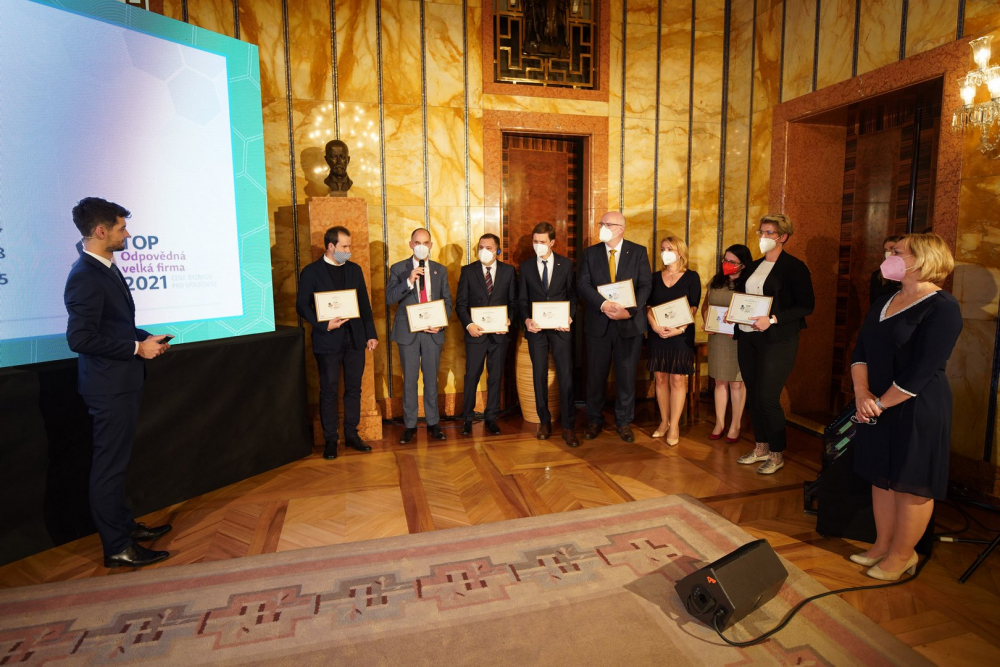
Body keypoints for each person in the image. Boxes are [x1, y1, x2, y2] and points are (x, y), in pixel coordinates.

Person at [63, 197, 173, 568]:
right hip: (108, 388)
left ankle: (125, 527)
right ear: (100, 231)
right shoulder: (85, 275)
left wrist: (144, 338)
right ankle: (116, 547)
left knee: (117, 464)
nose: (127, 234)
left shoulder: (104, 268)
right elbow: (80, 338)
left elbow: (114, 326)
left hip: (119, 383)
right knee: (109, 467)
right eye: (121, 228)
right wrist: (136, 348)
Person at [850, 233, 962, 581]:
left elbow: (923, 370)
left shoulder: (942, 307)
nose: (888, 257)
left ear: (921, 259)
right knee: (882, 477)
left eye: (896, 252)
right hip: (876, 403)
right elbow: (861, 350)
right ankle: (882, 545)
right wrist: (862, 393)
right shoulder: (885, 299)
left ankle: (902, 555)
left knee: (911, 482)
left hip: (916, 406)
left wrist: (879, 403)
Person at [733, 214, 814, 474]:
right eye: (761, 232)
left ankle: (777, 454)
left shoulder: (794, 267)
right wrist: (735, 313)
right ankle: (761, 448)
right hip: (748, 336)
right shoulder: (754, 266)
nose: (763, 237)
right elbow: (745, 298)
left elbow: (806, 306)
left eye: (769, 233)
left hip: (777, 338)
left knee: (767, 396)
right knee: (754, 394)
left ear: (783, 237)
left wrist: (772, 319)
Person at [296, 226, 379, 460]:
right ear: (331, 246)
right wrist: (323, 324)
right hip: (327, 340)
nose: (349, 250)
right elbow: (302, 305)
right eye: (344, 246)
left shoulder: (354, 270)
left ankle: (352, 434)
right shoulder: (311, 272)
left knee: (354, 389)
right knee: (329, 391)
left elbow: (364, 304)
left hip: (355, 339)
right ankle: (331, 439)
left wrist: (371, 334)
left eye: (349, 246)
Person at [577, 211, 652, 442]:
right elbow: (582, 283)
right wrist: (604, 304)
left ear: (620, 228)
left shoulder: (638, 252)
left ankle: (624, 422)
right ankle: (594, 420)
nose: (602, 227)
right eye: (601, 223)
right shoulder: (591, 253)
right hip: (598, 324)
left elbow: (645, 285)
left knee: (626, 376)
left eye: (607, 224)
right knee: (595, 376)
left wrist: (628, 311)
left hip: (628, 324)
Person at [386, 228, 453, 444]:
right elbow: (389, 298)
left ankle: (433, 423)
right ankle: (410, 425)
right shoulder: (398, 269)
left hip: (433, 333)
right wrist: (408, 281)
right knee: (410, 380)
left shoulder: (440, 270)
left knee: (431, 380)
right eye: (417, 242)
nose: (421, 246)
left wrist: (441, 323)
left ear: (431, 245)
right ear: (411, 245)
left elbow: (447, 301)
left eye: (425, 242)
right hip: (408, 332)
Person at [519, 222, 578, 446]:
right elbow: (522, 300)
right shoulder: (525, 267)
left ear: (552, 242)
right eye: (535, 241)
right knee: (539, 375)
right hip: (536, 329)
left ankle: (569, 426)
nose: (538, 245)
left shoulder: (566, 264)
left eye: (542, 242)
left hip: (561, 328)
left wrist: (569, 316)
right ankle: (544, 422)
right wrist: (526, 320)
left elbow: (573, 296)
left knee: (566, 375)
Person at [456, 233, 516, 436]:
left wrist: (508, 320)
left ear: (497, 250)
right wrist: (468, 325)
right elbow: (461, 304)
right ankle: (467, 418)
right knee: (472, 375)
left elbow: (513, 302)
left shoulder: (508, 271)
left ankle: (491, 417)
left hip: (499, 335)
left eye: (488, 248)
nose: (483, 251)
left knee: (495, 376)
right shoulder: (468, 271)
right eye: (481, 247)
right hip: (476, 334)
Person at [646, 236, 700, 446]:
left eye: (670, 249)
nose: (665, 252)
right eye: (662, 248)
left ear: (680, 253)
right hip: (658, 333)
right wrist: (654, 326)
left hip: (681, 335)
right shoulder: (654, 277)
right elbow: (648, 306)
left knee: (677, 379)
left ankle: (675, 425)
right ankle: (664, 421)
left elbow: (693, 307)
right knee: (660, 379)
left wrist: (680, 329)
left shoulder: (691, 277)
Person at [701, 244, 752, 443]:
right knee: (720, 381)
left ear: (743, 265)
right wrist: (706, 321)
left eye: (732, 262)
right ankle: (720, 423)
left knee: (737, 383)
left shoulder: (748, 284)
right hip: (717, 337)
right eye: (725, 260)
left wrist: (738, 323)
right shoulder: (716, 281)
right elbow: (706, 306)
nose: (727, 264)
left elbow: (752, 310)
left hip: (737, 338)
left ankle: (735, 424)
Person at [869, 234, 903, 305]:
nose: (888, 252)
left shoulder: (907, 274)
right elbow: (873, 301)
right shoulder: (877, 275)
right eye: (886, 250)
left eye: (892, 248)